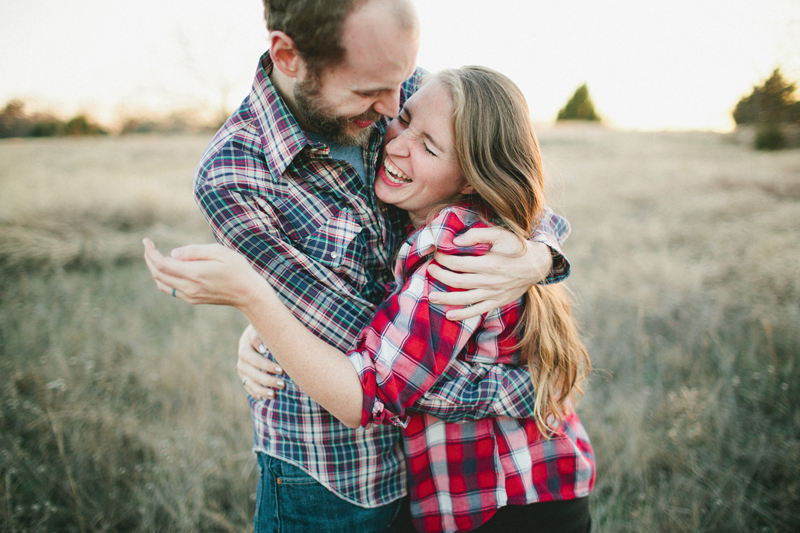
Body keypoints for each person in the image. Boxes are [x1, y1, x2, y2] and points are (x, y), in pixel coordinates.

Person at [146, 1, 574, 531]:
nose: (394, 108)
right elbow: (372, 361)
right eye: (371, 94)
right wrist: (523, 388)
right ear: (289, 55)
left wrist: (537, 254)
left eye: (403, 87)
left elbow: (497, 172)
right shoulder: (235, 176)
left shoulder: (395, 84)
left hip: (440, 476)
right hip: (337, 478)